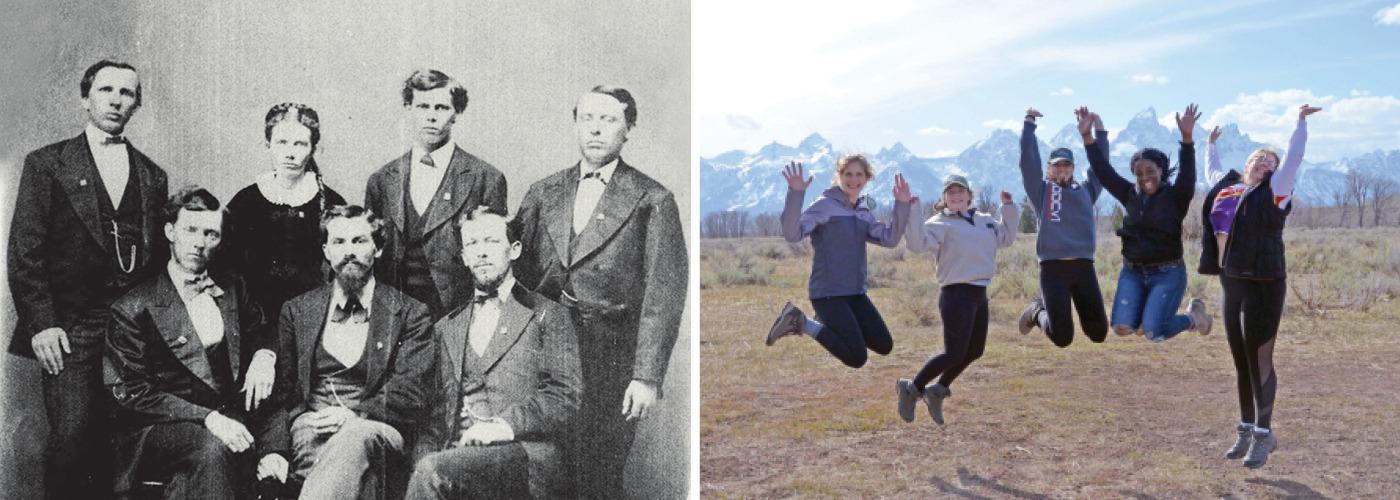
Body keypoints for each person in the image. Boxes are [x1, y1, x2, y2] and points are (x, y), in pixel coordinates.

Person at [514, 86, 687, 498]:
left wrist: (646, 377)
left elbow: (662, 299)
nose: (596, 130)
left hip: (611, 358)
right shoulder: (544, 192)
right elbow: (517, 276)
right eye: (587, 119)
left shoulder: (653, 199)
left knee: (599, 473)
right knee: (542, 468)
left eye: (608, 120)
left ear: (629, 129)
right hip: (547, 357)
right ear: (575, 124)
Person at [7, 59, 170, 499]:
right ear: (85, 98)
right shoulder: (47, 164)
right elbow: (25, 253)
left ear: (136, 105)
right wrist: (42, 324)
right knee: (72, 442)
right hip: (69, 328)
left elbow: (157, 265)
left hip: (131, 334)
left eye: (128, 93)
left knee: (125, 445)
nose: (117, 100)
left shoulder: (152, 176)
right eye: (106, 90)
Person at [105, 187, 288, 499]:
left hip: (229, 417)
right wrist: (209, 419)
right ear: (170, 231)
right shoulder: (133, 307)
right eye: (191, 230)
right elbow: (133, 393)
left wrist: (263, 356)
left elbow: (263, 331)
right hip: (159, 428)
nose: (200, 243)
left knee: (273, 460)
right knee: (213, 449)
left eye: (211, 234)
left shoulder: (232, 287)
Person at [408, 207, 581, 499]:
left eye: (490, 241)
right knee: (424, 468)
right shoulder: (445, 328)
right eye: (473, 244)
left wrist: (503, 426)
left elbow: (565, 395)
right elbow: (434, 418)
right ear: (463, 257)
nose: (481, 252)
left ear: (514, 250)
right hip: (456, 456)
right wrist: (421, 458)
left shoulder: (548, 315)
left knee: (432, 473)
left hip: (525, 456)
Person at [273, 205, 437, 498]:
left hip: (378, 426)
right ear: (326, 250)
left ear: (378, 248)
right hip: (314, 425)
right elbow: (284, 393)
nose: (349, 250)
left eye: (359, 241)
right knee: (364, 483)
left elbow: (411, 391)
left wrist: (354, 414)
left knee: (353, 438)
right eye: (339, 242)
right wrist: (273, 450)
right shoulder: (296, 311)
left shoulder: (411, 312)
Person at [1200, 104, 1322, 469]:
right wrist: (1209, 144)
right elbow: (1212, 172)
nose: (1265, 164)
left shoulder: (1276, 190)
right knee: (1240, 361)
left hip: (1266, 284)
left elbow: (1295, 157)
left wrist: (1299, 123)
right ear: (1247, 164)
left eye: (1271, 161)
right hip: (1232, 282)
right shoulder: (1228, 189)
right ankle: (1245, 427)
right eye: (1259, 159)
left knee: (1260, 359)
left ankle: (1264, 435)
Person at [224, 103, 347, 413]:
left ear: (314, 147)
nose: (290, 153)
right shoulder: (245, 203)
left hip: (313, 328)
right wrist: (261, 348)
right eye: (281, 142)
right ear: (267, 144)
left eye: (300, 144)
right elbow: (229, 280)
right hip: (251, 327)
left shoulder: (331, 204)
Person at [366, 69, 508, 320]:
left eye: (441, 108)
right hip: (393, 314)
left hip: (457, 312)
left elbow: (497, 260)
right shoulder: (381, 180)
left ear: (457, 114)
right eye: (422, 106)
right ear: (408, 108)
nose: (431, 117)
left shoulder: (485, 178)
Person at [764, 156, 913, 368]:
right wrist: (796, 193)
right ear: (839, 176)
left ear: (867, 178)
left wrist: (902, 204)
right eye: (848, 174)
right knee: (856, 357)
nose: (853, 179)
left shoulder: (863, 211)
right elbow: (792, 233)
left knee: (884, 344)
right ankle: (802, 322)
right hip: (828, 294)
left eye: (859, 174)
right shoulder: (824, 205)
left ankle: (831, 324)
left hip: (856, 293)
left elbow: (890, 239)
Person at [1080, 104, 1212, 342]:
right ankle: (1148, 315)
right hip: (1132, 272)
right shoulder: (1129, 194)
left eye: (1150, 171)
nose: (1144, 178)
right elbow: (1102, 170)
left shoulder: (1176, 196)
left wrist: (1187, 139)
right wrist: (1087, 137)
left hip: (1168, 272)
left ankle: (1194, 318)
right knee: (1121, 328)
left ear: (1161, 170)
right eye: (1138, 174)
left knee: (1154, 332)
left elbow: (1188, 173)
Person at [895, 175, 1017, 425]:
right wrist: (913, 210)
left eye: (960, 191)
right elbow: (917, 245)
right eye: (950, 192)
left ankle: (937, 390)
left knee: (974, 351)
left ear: (970, 195)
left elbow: (1006, 238)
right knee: (954, 353)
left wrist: (1008, 208)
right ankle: (912, 388)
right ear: (944, 198)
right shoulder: (939, 223)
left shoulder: (984, 221)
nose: (956, 196)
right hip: (955, 294)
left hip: (979, 294)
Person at [1015, 107, 1110, 347]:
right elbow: (1028, 162)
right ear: (1049, 169)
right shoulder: (1042, 191)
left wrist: (1099, 131)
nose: (1062, 169)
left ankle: (1041, 310)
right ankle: (1037, 311)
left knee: (1098, 333)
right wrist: (1029, 124)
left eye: (1067, 165)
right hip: (1052, 269)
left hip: (1083, 267)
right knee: (1062, 337)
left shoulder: (1087, 190)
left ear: (1073, 168)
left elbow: (1101, 165)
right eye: (1057, 165)